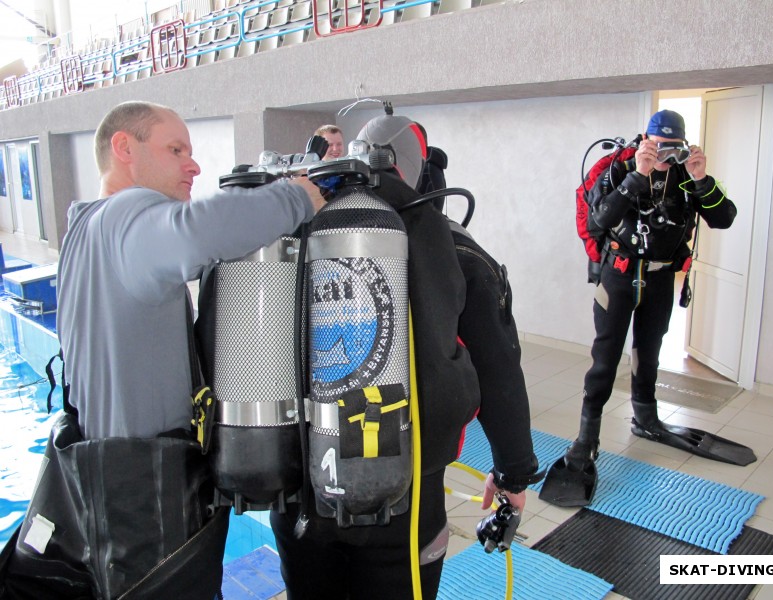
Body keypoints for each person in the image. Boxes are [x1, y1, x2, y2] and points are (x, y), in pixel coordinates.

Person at [1, 101, 325, 599]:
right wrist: (298, 197)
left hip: (97, 480)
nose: (192, 165)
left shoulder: (83, 229)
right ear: (124, 148)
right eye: (175, 150)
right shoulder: (128, 217)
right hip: (147, 496)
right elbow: (201, 230)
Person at [270, 114, 540, 599]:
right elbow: (499, 366)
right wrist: (512, 473)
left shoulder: (295, 224)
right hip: (404, 493)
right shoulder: (453, 246)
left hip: (300, 489)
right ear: (417, 167)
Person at [540, 109, 755, 508]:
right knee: (605, 359)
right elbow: (598, 221)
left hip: (658, 279)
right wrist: (637, 174)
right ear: (646, 141)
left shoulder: (687, 177)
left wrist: (701, 178)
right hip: (619, 277)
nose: (666, 156)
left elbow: (724, 218)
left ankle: (645, 416)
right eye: (660, 147)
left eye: (674, 148)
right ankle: (587, 436)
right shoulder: (621, 169)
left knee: (649, 351)